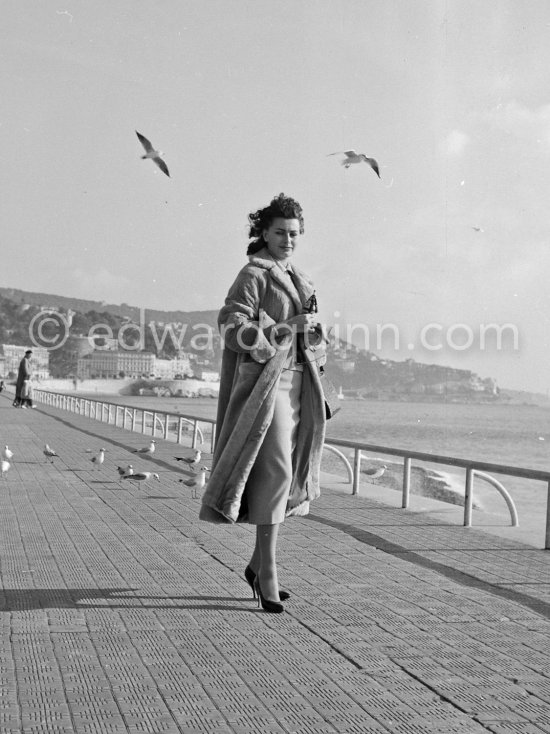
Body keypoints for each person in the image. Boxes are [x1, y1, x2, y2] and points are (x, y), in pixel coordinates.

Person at [200, 193, 327, 613]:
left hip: (296, 387)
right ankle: (267, 572)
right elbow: (231, 325)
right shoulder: (253, 274)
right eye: (280, 233)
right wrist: (286, 328)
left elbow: (308, 340)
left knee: (285, 476)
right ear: (264, 233)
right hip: (265, 387)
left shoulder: (301, 278)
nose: (288, 240)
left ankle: (257, 564)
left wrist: (312, 335)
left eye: (294, 233)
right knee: (278, 471)